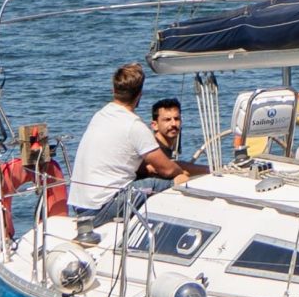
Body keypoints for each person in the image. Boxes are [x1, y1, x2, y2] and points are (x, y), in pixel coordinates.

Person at [70, 63, 205, 220]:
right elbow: (168, 170)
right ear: (140, 94)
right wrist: (182, 174)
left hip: (79, 205)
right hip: (101, 207)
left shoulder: (101, 115)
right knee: (179, 181)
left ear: (114, 91)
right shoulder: (134, 126)